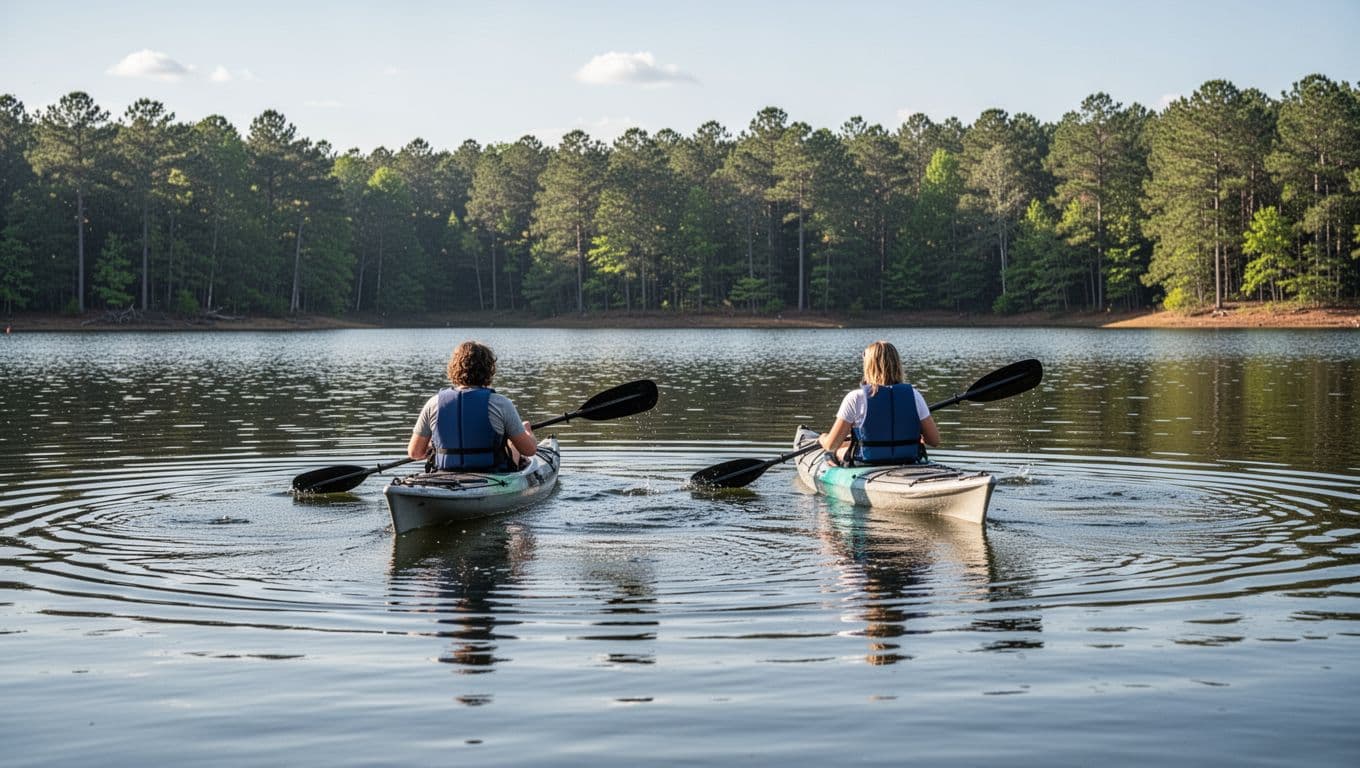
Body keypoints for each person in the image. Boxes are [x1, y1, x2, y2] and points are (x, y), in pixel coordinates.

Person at [406, 341, 537, 471]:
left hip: (446, 474)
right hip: (491, 474)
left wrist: (433, 447)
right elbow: (529, 450)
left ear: (453, 368)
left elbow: (415, 453)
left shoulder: (433, 403)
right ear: (489, 370)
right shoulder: (501, 403)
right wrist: (527, 432)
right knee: (512, 444)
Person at [818, 340, 940, 465]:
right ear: (897, 364)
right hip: (908, 459)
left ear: (868, 366)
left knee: (833, 452)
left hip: (867, 462)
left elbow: (831, 445)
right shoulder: (915, 396)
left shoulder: (855, 398)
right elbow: (934, 440)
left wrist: (822, 438)